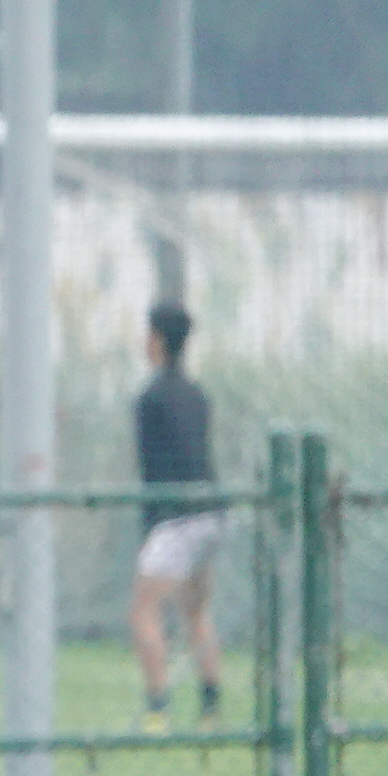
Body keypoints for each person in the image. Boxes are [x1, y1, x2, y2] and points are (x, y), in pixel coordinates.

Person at [130, 300, 226, 732]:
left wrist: (152, 525)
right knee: (196, 610)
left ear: (157, 340)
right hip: (210, 516)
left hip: (175, 519)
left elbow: (152, 468)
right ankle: (210, 707)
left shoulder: (150, 398)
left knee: (143, 612)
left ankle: (158, 708)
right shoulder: (197, 395)